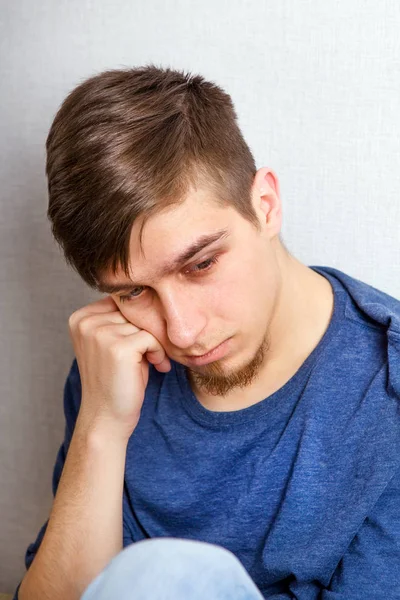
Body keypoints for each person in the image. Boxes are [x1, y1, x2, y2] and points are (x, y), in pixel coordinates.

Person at [14, 66, 400, 600]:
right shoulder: (113, 367)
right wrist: (101, 426)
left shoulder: (388, 392)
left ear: (264, 206)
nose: (182, 329)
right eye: (133, 293)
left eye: (200, 265)